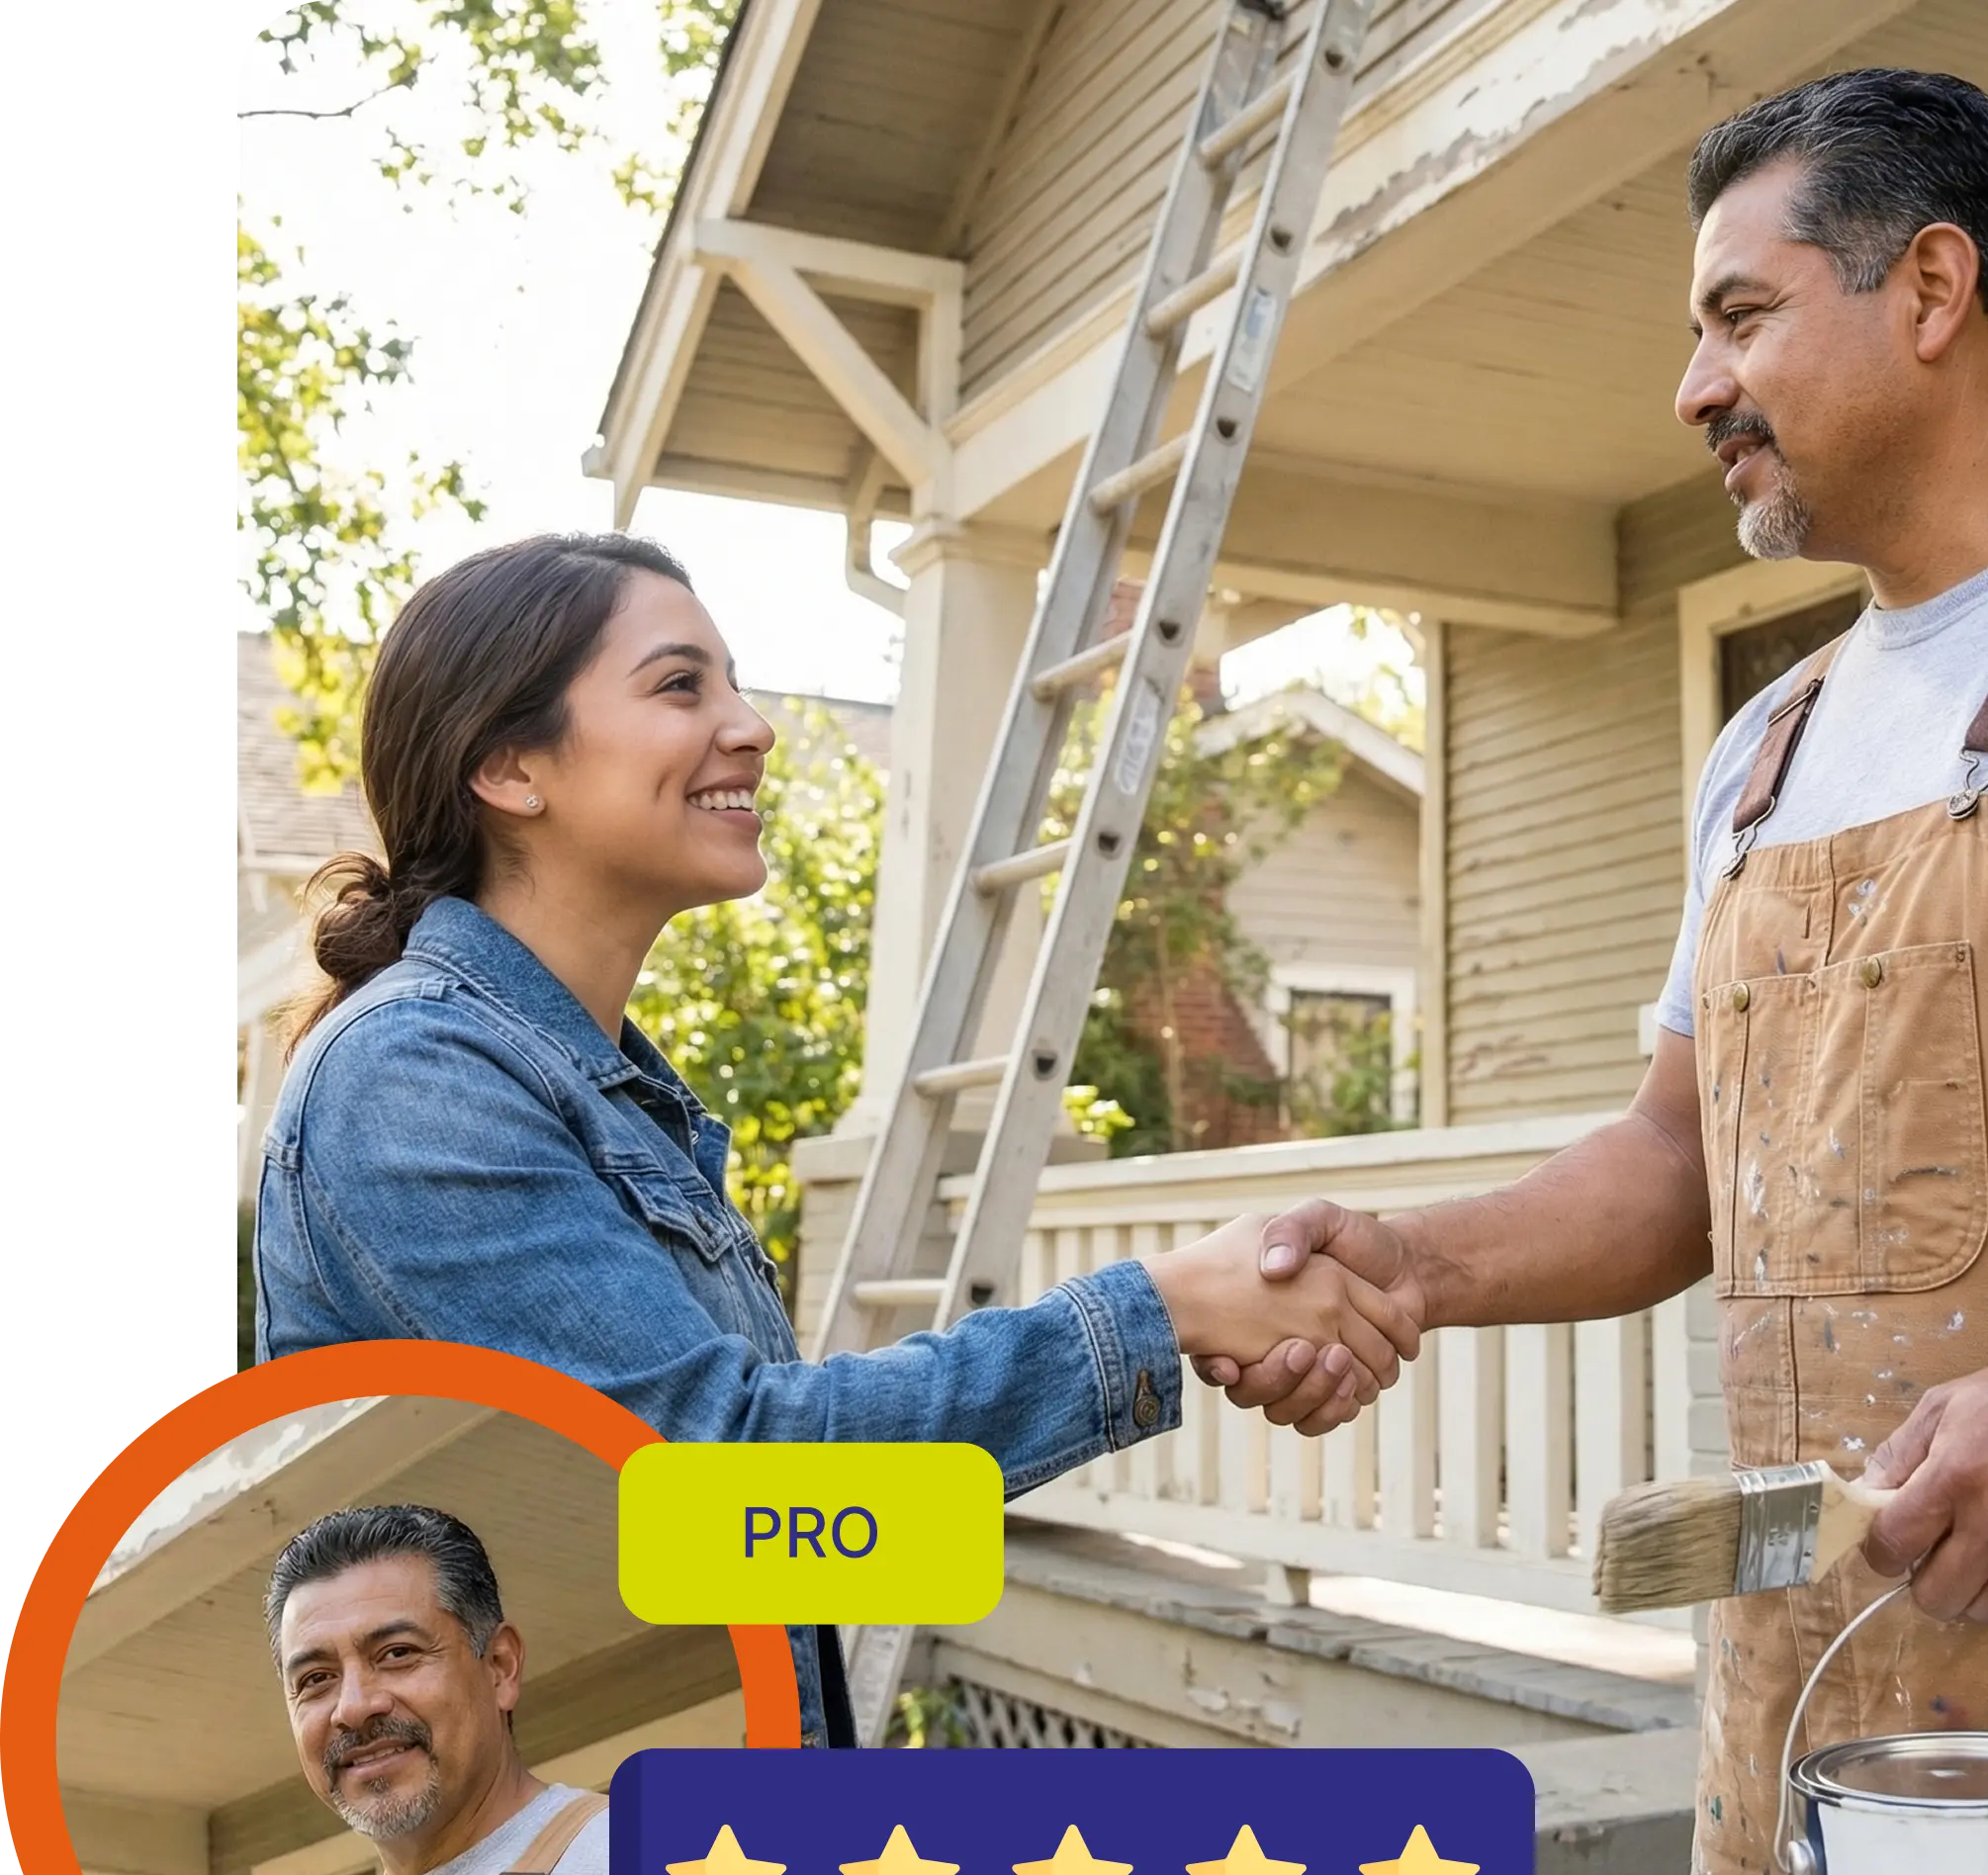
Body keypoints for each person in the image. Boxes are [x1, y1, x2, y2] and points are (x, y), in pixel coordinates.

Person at [1198, 68, 1988, 1875]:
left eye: (1737, 314)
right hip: (1792, 1754)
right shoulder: (1767, 744)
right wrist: (1407, 1260)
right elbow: (1675, 1163)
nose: (1689, 389)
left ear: (1925, 289)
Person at [253, 531, 1418, 1749]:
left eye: (736, 684)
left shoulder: (594, 1087)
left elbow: (755, 1542)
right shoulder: (416, 1076)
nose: (752, 726)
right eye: (679, 685)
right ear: (508, 766)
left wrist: (1196, 1338)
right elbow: (723, 1477)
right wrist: (1162, 1314)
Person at [256, 1506, 610, 1875]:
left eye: (396, 1654)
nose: (353, 1707)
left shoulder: (649, 1872)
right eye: (316, 1679)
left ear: (499, 1666)